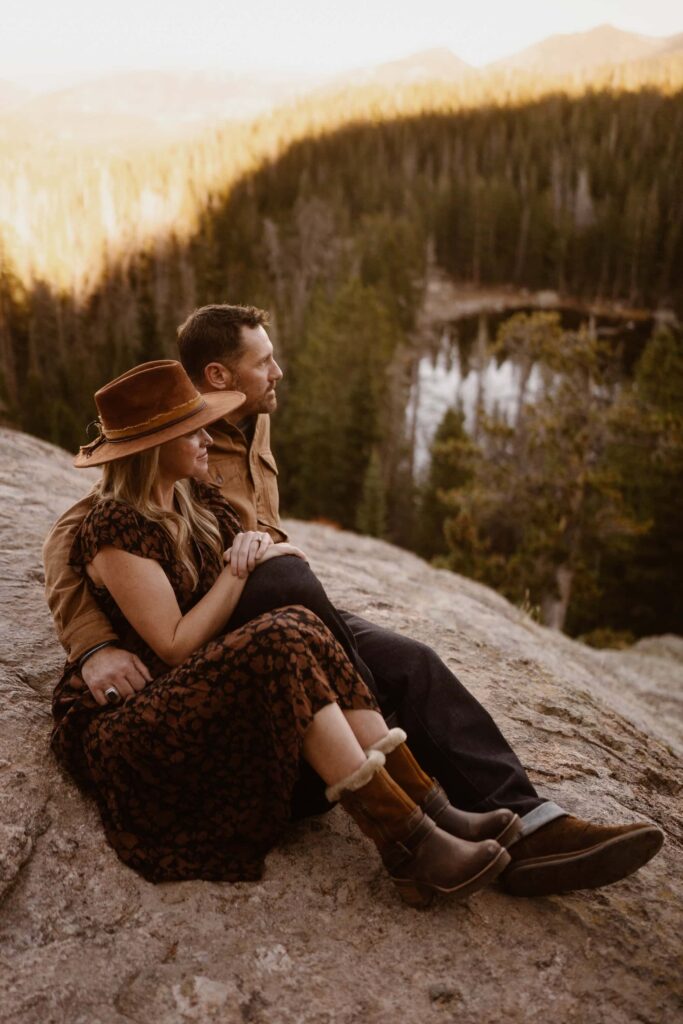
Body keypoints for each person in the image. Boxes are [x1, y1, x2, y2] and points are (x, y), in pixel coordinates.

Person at [44, 306, 664, 898]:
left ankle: (528, 824)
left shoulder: (246, 425)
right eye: (264, 362)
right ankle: (414, 812)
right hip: (225, 619)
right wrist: (93, 643)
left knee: (410, 661)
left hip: (263, 606)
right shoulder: (162, 453)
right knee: (295, 599)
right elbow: (76, 537)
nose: (278, 372)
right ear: (217, 377)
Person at [48, 359, 519, 903]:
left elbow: (266, 564)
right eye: (192, 430)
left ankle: (426, 809)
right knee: (280, 637)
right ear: (156, 446)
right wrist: (236, 569)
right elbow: (174, 645)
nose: (207, 437)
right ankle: (405, 843)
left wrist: (259, 550)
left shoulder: (195, 499)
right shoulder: (114, 526)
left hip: (196, 681)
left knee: (296, 623)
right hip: (137, 713)